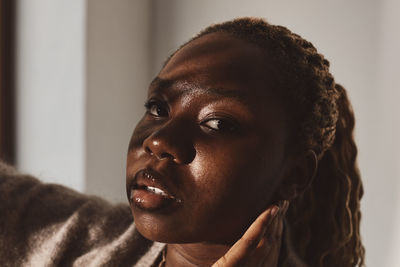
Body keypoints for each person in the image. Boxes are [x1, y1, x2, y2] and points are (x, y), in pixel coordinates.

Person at [0, 17, 364, 267]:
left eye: (218, 123)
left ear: (294, 174)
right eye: (158, 108)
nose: (159, 141)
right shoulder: (77, 238)